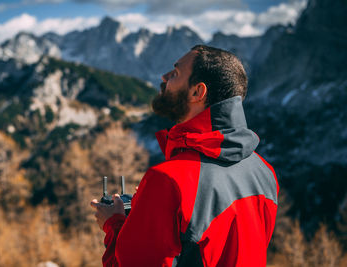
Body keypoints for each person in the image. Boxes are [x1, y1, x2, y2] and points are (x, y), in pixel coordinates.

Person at [90, 45, 278, 267]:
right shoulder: (264, 172)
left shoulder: (168, 180)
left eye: (176, 73)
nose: (165, 76)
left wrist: (115, 225)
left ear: (197, 92)